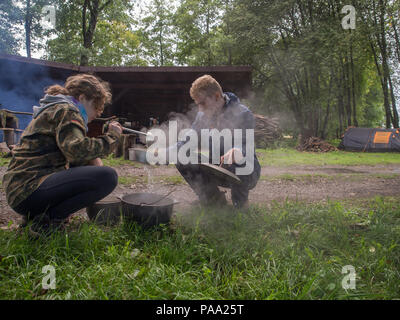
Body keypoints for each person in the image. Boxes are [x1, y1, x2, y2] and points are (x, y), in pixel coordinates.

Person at [2, 74, 123, 236]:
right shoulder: (68, 110)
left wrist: (91, 161)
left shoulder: (57, 108)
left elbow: (73, 154)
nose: (99, 113)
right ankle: (48, 221)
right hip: (29, 189)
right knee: (108, 176)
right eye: (97, 106)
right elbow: (76, 151)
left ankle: (37, 216)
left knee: (97, 171)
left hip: (20, 190)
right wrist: (112, 137)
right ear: (82, 98)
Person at [175, 75, 261, 208]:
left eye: (202, 103)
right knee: (181, 156)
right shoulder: (202, 115)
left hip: (246, 171)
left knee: (238, 159)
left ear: (216, 96)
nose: (200, 109)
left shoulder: (243, 114)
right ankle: (214, 201)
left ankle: (240, 205)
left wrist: (237, 151)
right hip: (217, 167)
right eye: (197, 105)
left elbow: (245, 145)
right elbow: (187, 140)